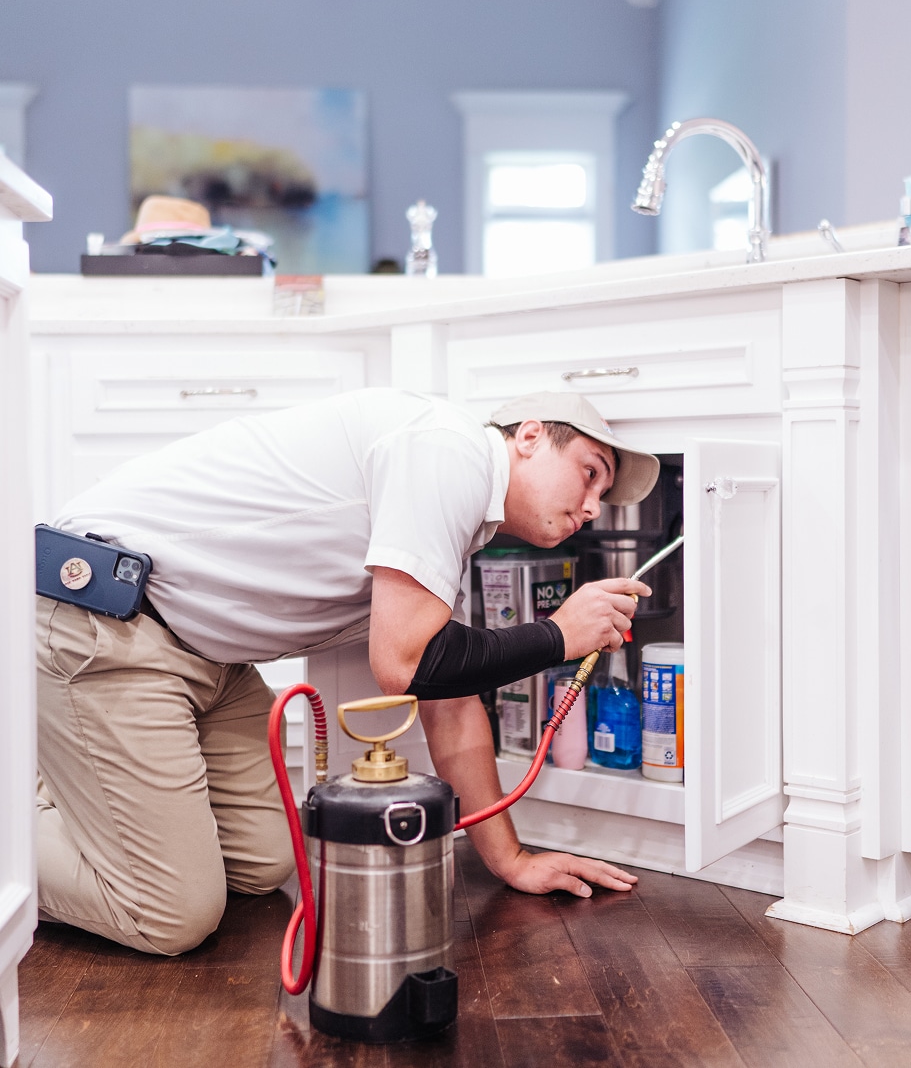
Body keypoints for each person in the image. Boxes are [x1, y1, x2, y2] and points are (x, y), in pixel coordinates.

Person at [35, 387, 660, 955]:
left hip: (205, 658)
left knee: (262, 862)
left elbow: (451, 699)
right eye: (589, 474)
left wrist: (512, 861)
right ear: (528, 437)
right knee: (170, 915)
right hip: (103, 624)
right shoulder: (447, 450)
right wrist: (558, 634)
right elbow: (406, 665)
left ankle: (71, 779)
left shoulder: (452, 520)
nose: (591, 508)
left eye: (601, 497)